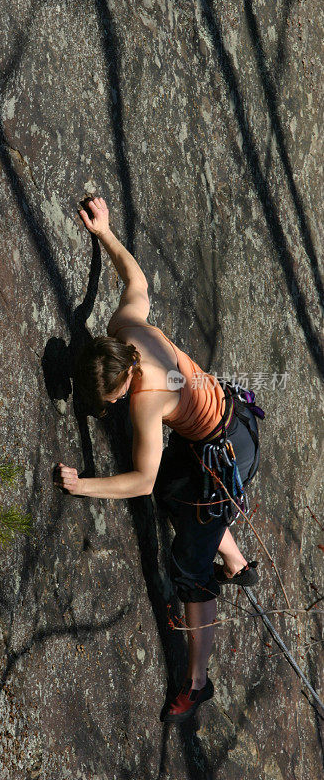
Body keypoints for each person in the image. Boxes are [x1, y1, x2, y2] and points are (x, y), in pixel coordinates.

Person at [55, 196, 262, 723]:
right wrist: (105, 233)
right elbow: (137, 280)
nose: (111, 409)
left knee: (187, 570)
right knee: (177, 492)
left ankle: (197, 682)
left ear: (125, 381)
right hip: (221, 424)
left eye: (111, 400)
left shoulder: (147, 401)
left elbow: (140, 481)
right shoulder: (126, 329)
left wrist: (85, 486)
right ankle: (236, 561)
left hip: (227, 451)